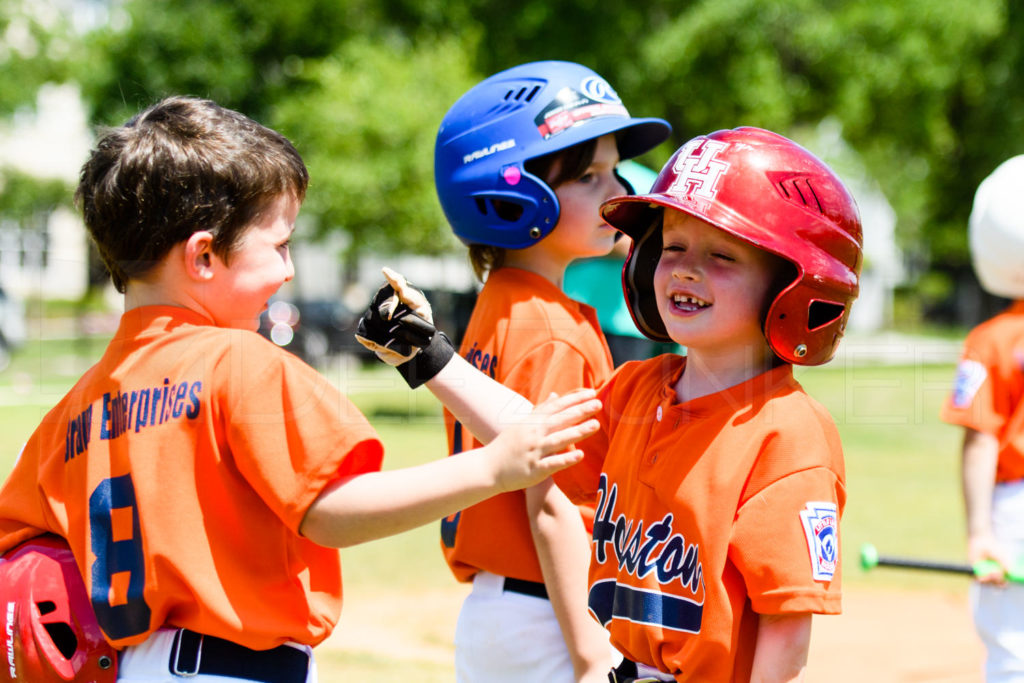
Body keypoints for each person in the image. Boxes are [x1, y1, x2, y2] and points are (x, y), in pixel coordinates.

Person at [0, 95, 602, 683]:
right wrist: (496, 466)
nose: (288, 269)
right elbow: (332, 510)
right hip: (234, 666)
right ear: (204, 256)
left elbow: (18, 555)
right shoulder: (239, 362)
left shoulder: (76, 405)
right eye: (280, 245)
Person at [357, 126, 863, 682]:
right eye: (671, 246)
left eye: (723, 254)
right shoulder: (640, 388)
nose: (686, 269)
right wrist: (427, 356)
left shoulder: (786, 433)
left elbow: (785, 639)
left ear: (793, 284)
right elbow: (537, 438)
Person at [431, 60, 670, 682]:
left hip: (512, 606)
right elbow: (554, 503)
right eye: (589, 177)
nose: (614, 190)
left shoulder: (502, 302)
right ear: (513, 192)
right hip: (552, 613)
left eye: (613, 169)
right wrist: (595, 658)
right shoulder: (550, 328)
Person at [940, 154, 1024, 683]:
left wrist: (979, 534)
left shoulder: (993, 340)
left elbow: (981, 439)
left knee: (1012, 649)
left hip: (1016, 506)